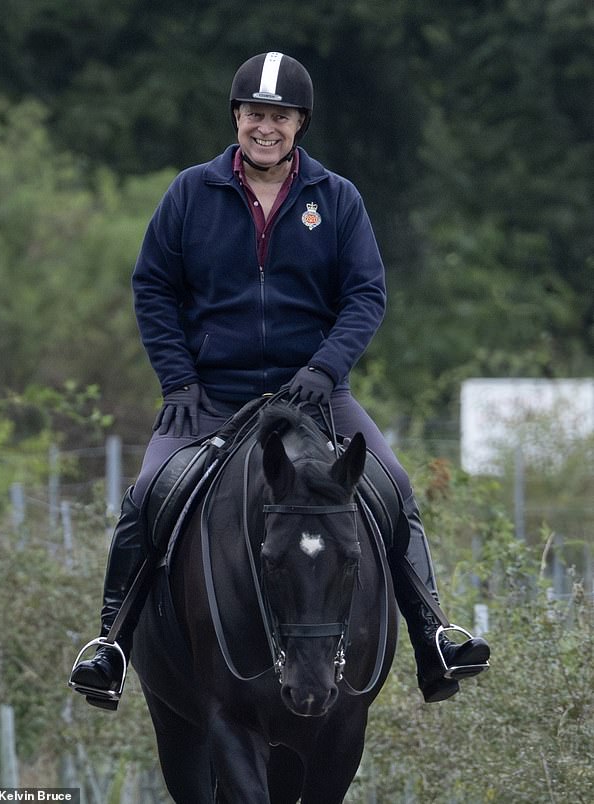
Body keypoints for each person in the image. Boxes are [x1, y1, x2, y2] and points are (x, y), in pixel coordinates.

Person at [70, 51, 489, 708]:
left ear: (300, 124)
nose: (266, 127)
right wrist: (178, 381)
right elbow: (153, 287)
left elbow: (365, 295)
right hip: (210, 398)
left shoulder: (337, 198)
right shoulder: (190, 192)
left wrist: (325, 370)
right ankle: (110, 645)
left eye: (280, 117)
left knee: (396, 486)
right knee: (148, 491)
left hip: (316, 397)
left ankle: (433, 634)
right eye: (255, 114)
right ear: (237, 117)